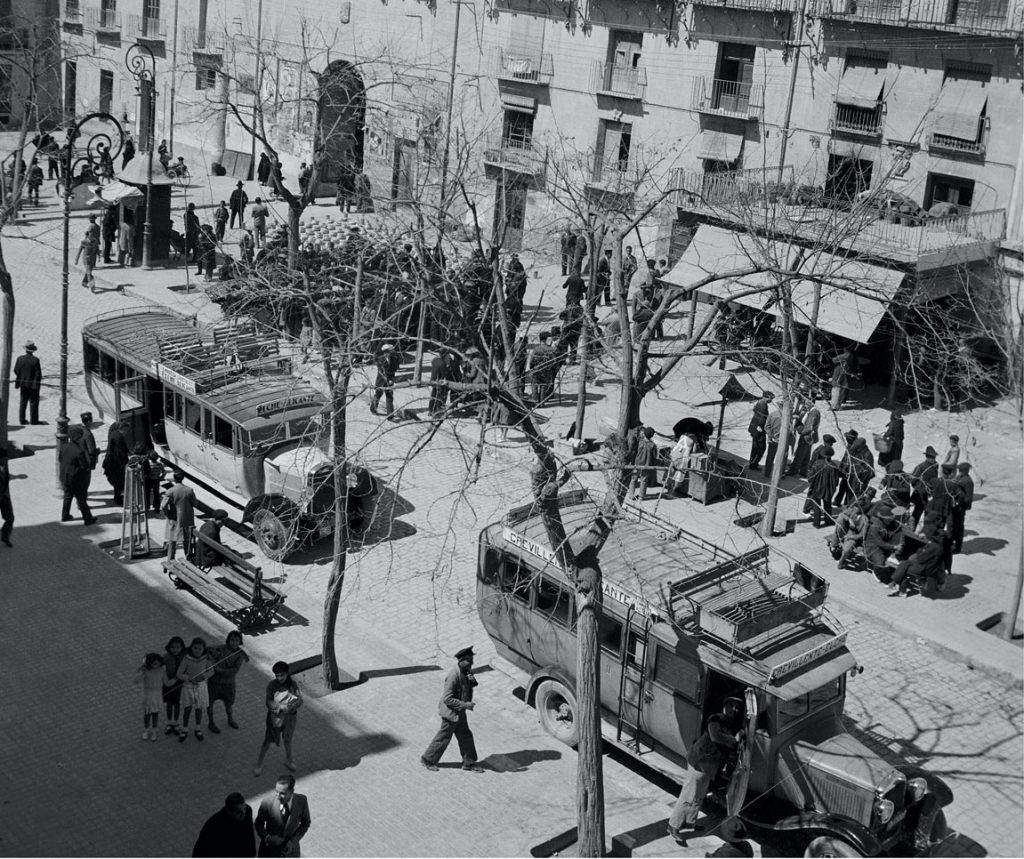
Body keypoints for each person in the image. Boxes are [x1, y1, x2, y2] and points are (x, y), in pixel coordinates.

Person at [668, 697, 745, 841]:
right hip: (699, 762)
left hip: (709, 767)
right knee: (689, 795)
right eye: (731, 706)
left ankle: (690, 822)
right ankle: (673, 826)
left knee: (699, 796)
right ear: (724, 706)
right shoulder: (715, 719)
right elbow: (716, 737)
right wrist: (735, 739)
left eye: (737, 708)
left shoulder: (731, 724)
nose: (734, 710)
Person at [421, 646, 483, 772]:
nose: (472, 663)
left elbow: (469, 686)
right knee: (444, 737)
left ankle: (469, 763)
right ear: (462, 661)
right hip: (450, 713)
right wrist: (465, 705)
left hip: (459, 712)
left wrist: (472, 681)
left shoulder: (465, 671)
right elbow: (447, 699)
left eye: (472, 661)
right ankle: (428, 759)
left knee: (465, 735)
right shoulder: (453, 676)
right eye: (470, 661)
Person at [254, 661, 302, 776]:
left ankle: (289, 761)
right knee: (268, 741)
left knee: (287, 739)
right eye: (277, 676)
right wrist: (280, 707)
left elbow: (300, 699)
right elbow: (268, 702)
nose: (280, 678)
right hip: (275, 718)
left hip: (289, 718)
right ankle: (259, 764)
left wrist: (290, 706)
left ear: (287, 674)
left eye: (282, 675)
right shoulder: (272, 685)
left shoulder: (293, 684)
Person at [255, 775, 311, 858]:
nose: (277, 796)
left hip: (291, 853)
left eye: (282, 793)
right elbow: (258, 824)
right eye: (276, 791)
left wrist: (293, 841)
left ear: (291, 791)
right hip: (269, 853)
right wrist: (268, 838)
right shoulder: (267, 802)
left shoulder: (301, 801)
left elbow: (305, 824)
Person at [207, 630, 250, 734]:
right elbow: (207, 651)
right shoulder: (219, 648)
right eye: (232, 640)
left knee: (229, 704)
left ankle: (230, 718)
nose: (234, 642)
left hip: (228, 683)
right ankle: (211, 722)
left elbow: (234, 670)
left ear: (240, 642)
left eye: (236, 640)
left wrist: (220, 670)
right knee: (209, 703)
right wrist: (212, 663)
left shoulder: (240, 655)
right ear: (228, 640)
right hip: (214, 682)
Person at [193, 792, 256, 858]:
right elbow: (200, 851)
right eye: (238, 812)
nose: (243, 815)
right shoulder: (213, 826)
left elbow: (249, 834)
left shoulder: (248, 811)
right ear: (228, 811)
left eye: (244, 809)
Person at [890, 532, 949, 598]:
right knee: (904, 565)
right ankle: (895, 583)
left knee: (903, 569)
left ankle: (899, 587)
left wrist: (941, 582)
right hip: (926, 569)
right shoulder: (942, 549)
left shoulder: (933, 548)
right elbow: (942, 569)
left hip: (923, 569)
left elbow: (920, 559)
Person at [60, 426, 96, 525]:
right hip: (75, 479)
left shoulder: (64, 446)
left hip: (65, 476)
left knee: (67, 496)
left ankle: (65, 515)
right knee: (81, 499)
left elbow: (60, 459)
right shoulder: (79, 451)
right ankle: (88, 519)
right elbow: (84, 466)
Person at [806, 437, 840, 528]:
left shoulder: (817, 464)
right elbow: (836, 481)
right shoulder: (834, 466)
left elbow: (810, 478)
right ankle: (828, 520)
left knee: (816, 506)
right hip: (828, 489)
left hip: (817, 488)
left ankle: (816, 523)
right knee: (828, 506)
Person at [163, 470, 197, 559]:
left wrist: (168, 514)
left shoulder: (170, 491)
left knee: (172, 540)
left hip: (174, 519)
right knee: (187, 540)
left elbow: (163, 506)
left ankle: (170, 559)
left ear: (174, 479)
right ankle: (188, 558)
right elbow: (195, 504)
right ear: (183, 479)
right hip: (187, 519)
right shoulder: (189, 490)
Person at [864, 507, 902, 583]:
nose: (891, 520)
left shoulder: (887, 524)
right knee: (880, 561)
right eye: (889, 518)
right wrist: (894, 547)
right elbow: (879, 543)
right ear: (883, 518)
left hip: (884, 546)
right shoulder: (874, 527)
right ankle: (876, 572)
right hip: (872, 547)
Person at [134, 652, 165, 741]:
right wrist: (141, 671)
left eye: (157, 662)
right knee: (147, 714)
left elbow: (167, 682)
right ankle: (146, 730)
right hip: (148, 696)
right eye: (154, 663)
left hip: (157, 696)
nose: (156, 664)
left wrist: (178, 680)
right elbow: (135, 681)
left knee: (155, 714)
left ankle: (154, 731)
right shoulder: (146, 671)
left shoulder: (162, 670)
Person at [788, 397, 822, 477]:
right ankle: (803, 471)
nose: (805, 406)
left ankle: (793, 471)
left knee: (799, 454)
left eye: (806, 404)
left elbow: (809, 427)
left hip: (806, 437)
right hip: (811, 437)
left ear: (810, 403)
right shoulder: (815, 411)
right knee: (806, 454)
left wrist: (801, 432)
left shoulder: (813, 413)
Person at [909, 446, 939, 528]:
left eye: (934, 457)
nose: (933, 459)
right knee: (917, 513)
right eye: (931, 457)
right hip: (921, 494)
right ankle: (912, 529)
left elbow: (913, 481)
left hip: (928, 494)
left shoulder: (935, 466)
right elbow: (913, 481)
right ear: (927, 457)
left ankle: (925, 531)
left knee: (925, 513)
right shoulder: (921, 467)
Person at [13, 340, 42, 425]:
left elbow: (15, 370)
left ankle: (22, 420)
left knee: (23, 402)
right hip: (33, 385)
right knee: (33, 403)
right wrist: (36, 382)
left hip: (23, 384)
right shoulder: (35, 360)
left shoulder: (20, 359)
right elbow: (38, 374)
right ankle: (34, 420)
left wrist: (22, 377)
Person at [103, 419, 131, 505]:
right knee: (119, 483)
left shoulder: (115, 434)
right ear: (123, 428)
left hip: (113, 463)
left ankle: (118, 497)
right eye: (127, 430)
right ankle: (118, 499)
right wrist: (125, 463)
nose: (127, 432)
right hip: (117, 465)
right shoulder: (118, 437)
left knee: (117, 483)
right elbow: (119, 453)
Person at [949, 462, 974, 553]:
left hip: (960, 507)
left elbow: (968, 497)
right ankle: (950, 543)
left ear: (965, 471)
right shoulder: (959, 478)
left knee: (958, 527)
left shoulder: (968, 481)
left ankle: (957, 547)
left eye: (961, 471)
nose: (959, 472)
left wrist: (961, 504)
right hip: (954, 506)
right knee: (951, 526)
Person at [369, 342, 399, 417]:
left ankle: (390, 415)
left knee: (389, 397)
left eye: (390, 352)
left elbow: (395, 369)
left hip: (390, 380)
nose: (388, 354)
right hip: (381, 380)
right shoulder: (380, 359)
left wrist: (392, 379)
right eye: (387, 352)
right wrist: (387, 379)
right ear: (384, 352)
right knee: (378, 395)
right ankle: (373, 409)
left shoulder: (394, 359)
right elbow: (381, 371)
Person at [746, 391, 773, 471]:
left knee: (755, 447)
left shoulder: (760, 403)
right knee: (760, 448)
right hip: (759, 429)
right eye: (770, 398)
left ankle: (752, 463)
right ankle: (753, 464)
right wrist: (760, 426)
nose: (771, 400)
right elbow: (761, 417)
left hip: (755, 428)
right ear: (765, 397)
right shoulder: (763, 404)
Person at [631, 426, 659, 501]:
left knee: (634, 479)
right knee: (643, 481)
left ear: (644, 434)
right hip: (647, 465)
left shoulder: (639, 442)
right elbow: (655, 456)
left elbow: (634, 451)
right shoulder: (653, 445)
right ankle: (641, 497)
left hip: (637, 463)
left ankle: (631, 495)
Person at [75, 214, 100, 290]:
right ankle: (92, 285)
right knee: (89, 271)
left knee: (89, 271)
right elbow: (79, 251)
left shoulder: (94, 239)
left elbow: (97, 248)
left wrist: (98, 256)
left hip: (93, 257)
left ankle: (84, 282)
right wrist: (76, 259)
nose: (91, 234)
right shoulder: (84, 242)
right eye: (90, 233)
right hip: (86, 258)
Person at [763, 397, 784, 477]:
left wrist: (770, 436)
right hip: (782, 441)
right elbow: (790, 429)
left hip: (773, 440)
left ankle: (767, 473)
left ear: (778, 406)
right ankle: (779, 474)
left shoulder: (772, 414)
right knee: (781, 459)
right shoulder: (787, 416)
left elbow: (766, 426)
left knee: (770, 457)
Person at [0, 446, 14, 548]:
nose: (6, 460)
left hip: (4, 497)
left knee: (10, 518)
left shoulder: (5, 467)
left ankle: (5, 537)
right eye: (4, 458)